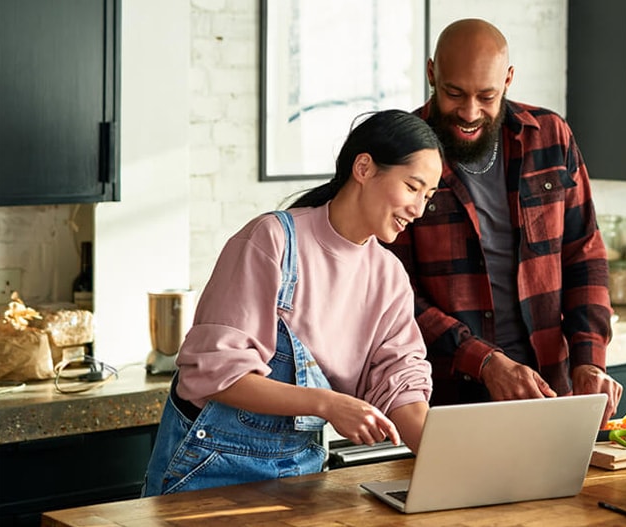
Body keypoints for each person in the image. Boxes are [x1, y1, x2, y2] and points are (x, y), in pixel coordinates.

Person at [141, 109, 443, 496]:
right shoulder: (273, 240)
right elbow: (216, 374)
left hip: (301, 476)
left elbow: (401, 384)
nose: (418, 209)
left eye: (428, 196)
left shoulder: (389, 277)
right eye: (412, 187)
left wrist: (451, 464)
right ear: (364, 168)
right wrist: (328, 405)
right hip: (207, 472)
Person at [383, 19, 623, 421]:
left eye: (486, 95)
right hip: (445, 400)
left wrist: (589, 360)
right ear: (431, 74)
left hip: (549, 390)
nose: (469, 112)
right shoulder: (402, 154)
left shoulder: (551, 138)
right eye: (453, 93)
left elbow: (584, 256)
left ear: (508, 79)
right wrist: (484, 361)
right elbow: (393, 293)